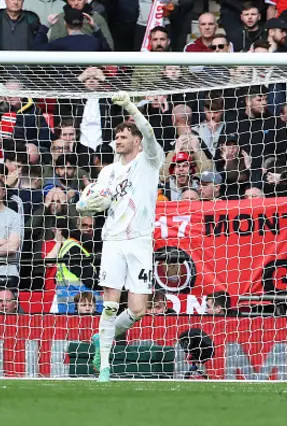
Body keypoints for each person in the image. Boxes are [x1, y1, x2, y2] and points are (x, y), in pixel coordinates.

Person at [77, 91, 164, 382]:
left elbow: (149, 131)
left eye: (123, 136)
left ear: (136, 141)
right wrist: (84, 203)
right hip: (113, 240)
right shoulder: (107, 172)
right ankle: (104, 367)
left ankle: (101, 338)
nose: (118, 140)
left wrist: (128, 106)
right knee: (111, 303)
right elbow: (90, 201)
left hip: (140, 240)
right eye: (116, 137)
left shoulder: (150, 161)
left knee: (137, 309)